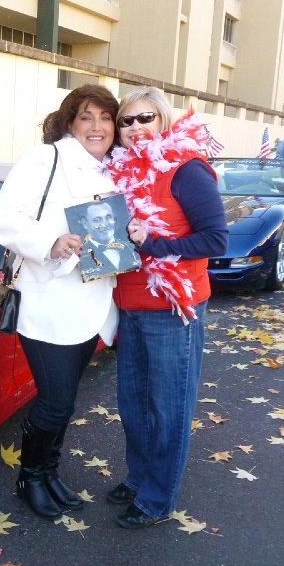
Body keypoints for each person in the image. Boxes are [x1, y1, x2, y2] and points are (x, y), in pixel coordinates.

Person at [0, 84, 120, 519]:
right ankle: (30, 476)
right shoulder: (46, 159)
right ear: (69, 122)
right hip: (49, 302)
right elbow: (5, 217)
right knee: (56, 401)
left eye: (105, 118)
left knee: (64, 400)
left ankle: (48, 472)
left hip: (92, 302)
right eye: (87, 117)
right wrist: (52, 241)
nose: (97, 126)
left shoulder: (112, 170)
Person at [106, 86, 228, 529]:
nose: (136, 128)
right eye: (127, 121)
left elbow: (216, 240)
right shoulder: (114, 172)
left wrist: (153, 243)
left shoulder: (186, 169)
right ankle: (139, 478)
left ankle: (158, 498)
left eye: (146, 119)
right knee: (133, 404)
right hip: (130, 303)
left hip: (173, 308)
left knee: (168, 406)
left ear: (163, 120)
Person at [80, 200, 139, 273]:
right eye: (96, 220)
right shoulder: (81, 254)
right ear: (85, 223)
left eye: (108, 217)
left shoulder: (131, 248)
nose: (104, 224)